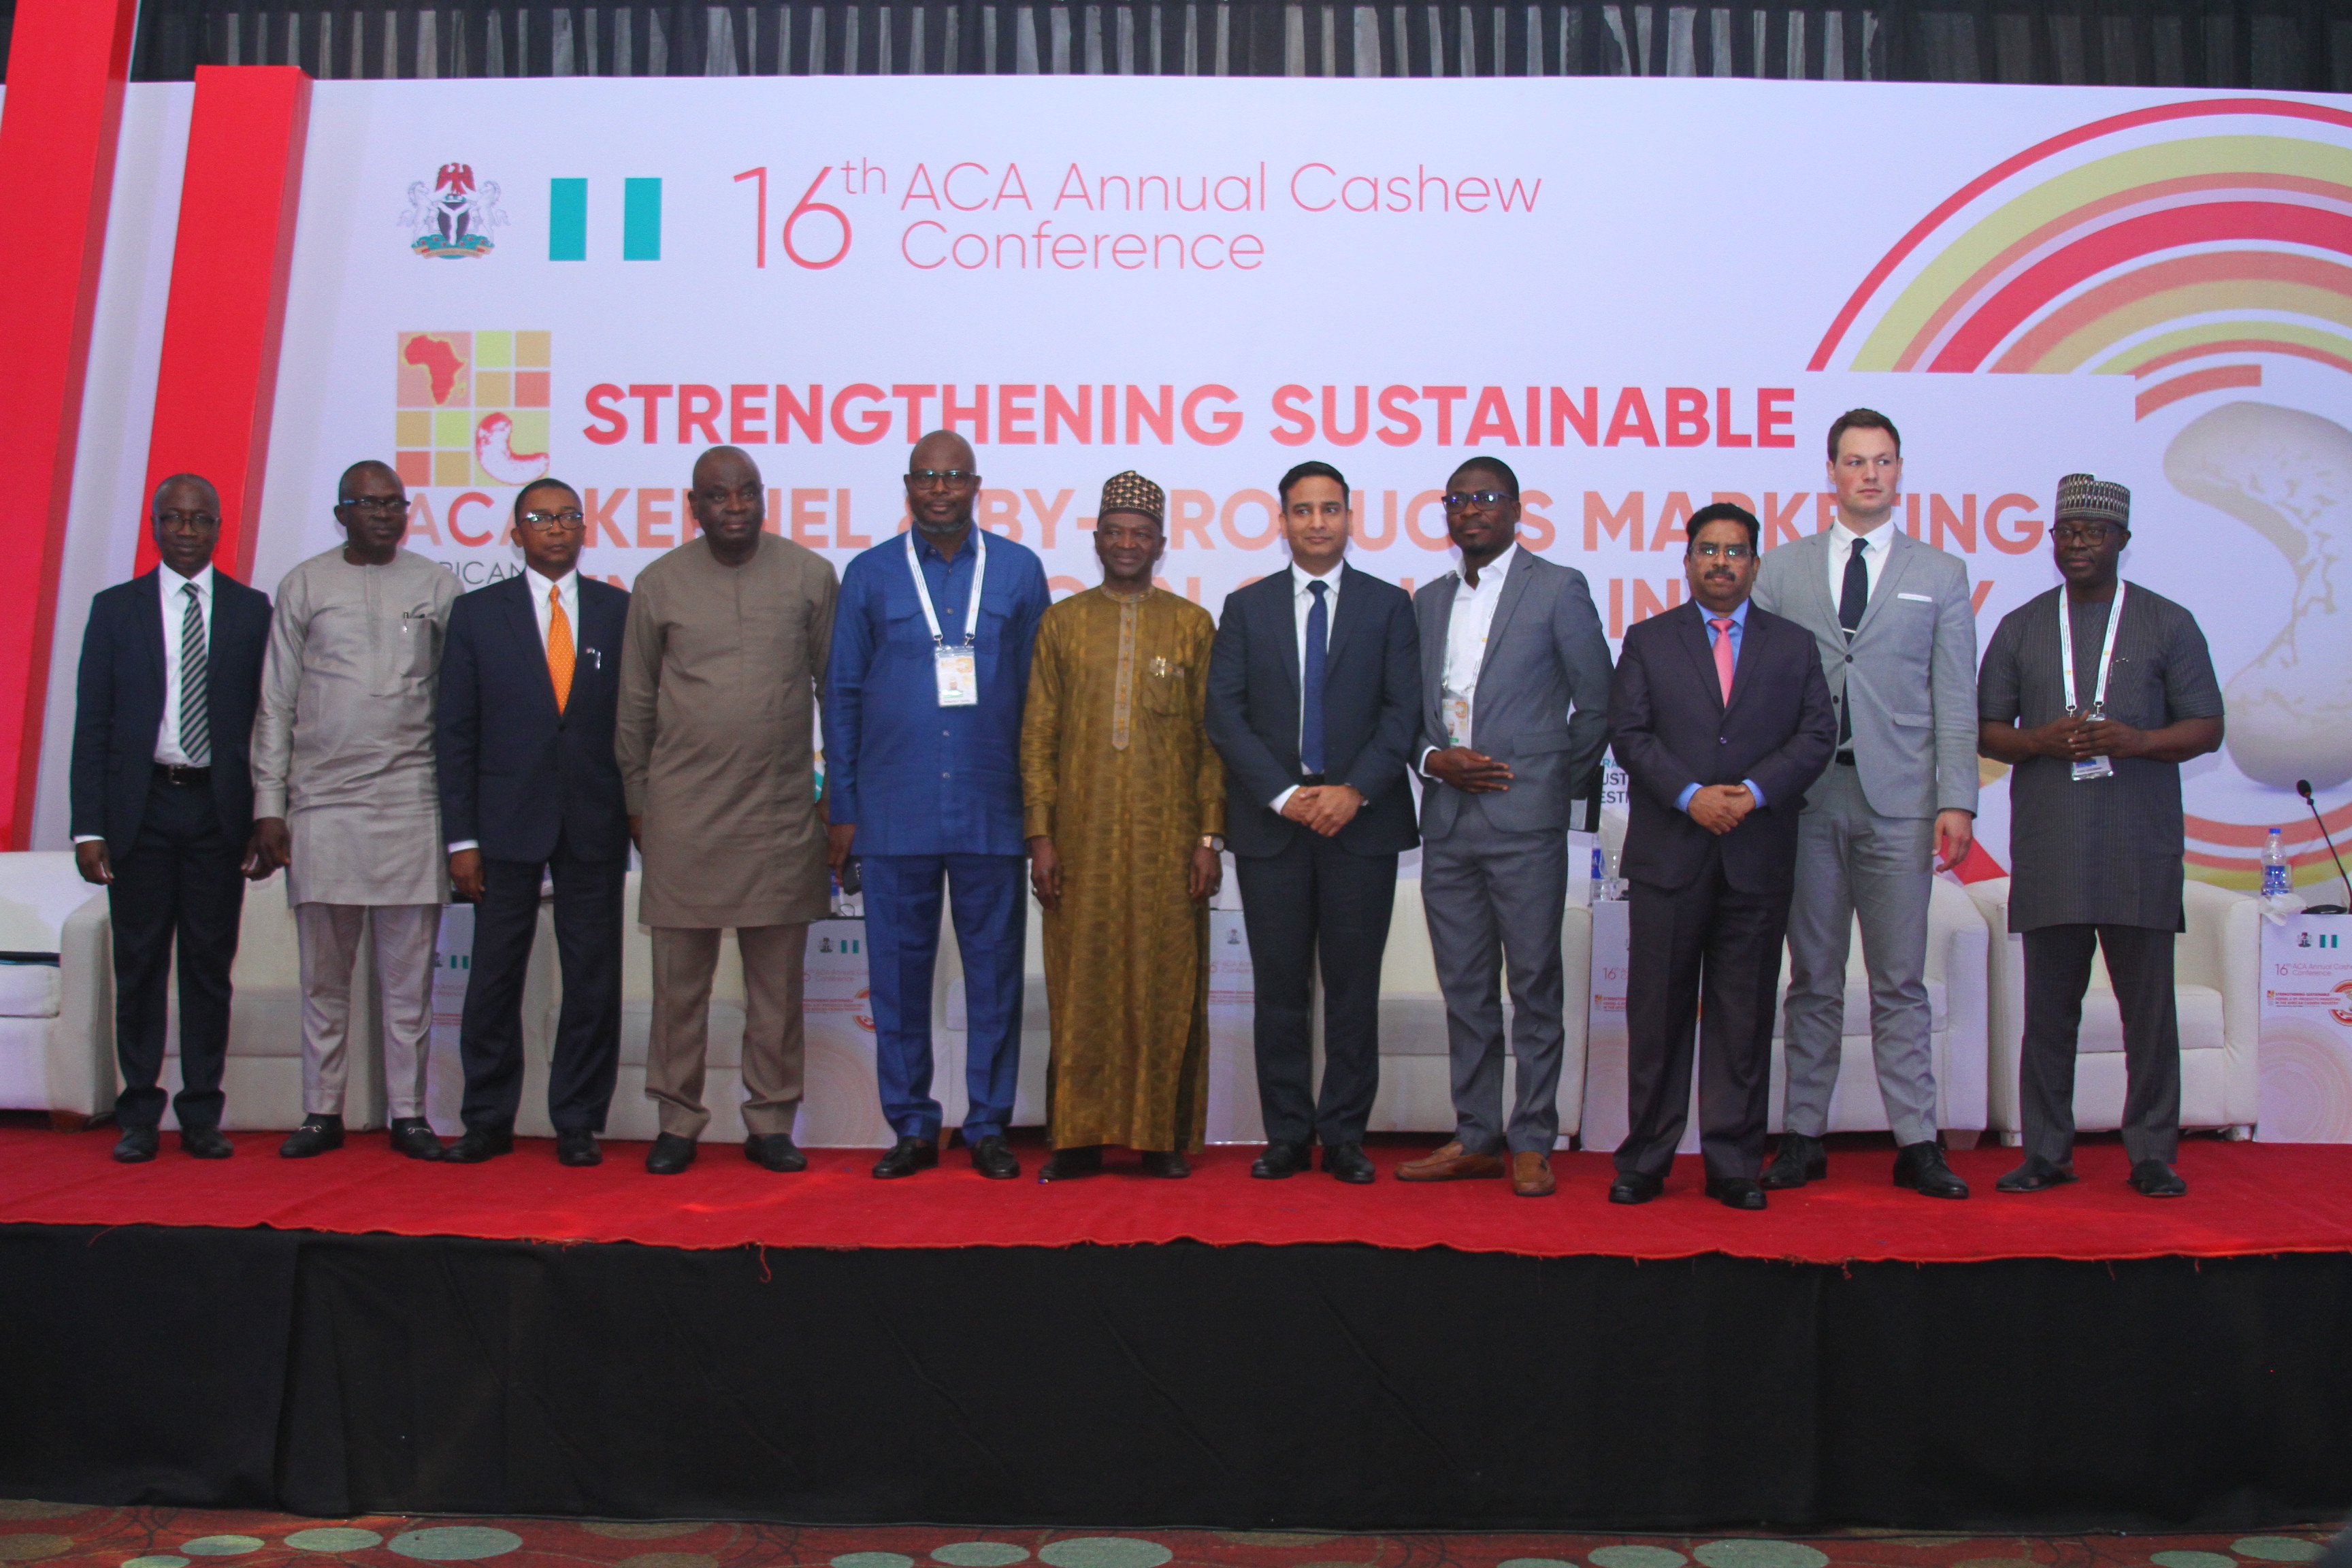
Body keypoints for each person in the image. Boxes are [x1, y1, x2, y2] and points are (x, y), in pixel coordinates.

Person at [1978, 474, 2223, 1199]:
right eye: (2066, 532)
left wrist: (2138, 740)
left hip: (2138, 845)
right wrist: (2038, 741)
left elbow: (2207, 727)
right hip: (2052, 845)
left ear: (2122, 541)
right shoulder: (2022, 626)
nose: (2077, 544)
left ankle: (2152, 1152)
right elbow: (1985, 730)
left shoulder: (2167, 623)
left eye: (2093, 532)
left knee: (2149, 1013)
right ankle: (2046, 1152)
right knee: (2049, 1013)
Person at [1751, 409, 1976, 1199]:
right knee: (1813, 978)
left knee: (1900, 981)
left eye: (1882, 461)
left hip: (1902, 802)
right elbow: (1758, 685)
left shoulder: (1941, 573)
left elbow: (1955, 696)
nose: (1869, 475)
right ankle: (1802, 1136)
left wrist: (1958, 799)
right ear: (1832, 472)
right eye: (1855, 461)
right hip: (1807, 800)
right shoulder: (1783, 569)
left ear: (1900, 470)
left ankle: (1917, 1142)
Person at [823, 431, 1049, 1181]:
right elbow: (842, 694)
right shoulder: (869, 574)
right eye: (927, 476)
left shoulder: (1018, 570)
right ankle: (913, 1125)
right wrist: (844, 808)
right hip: (894, 810)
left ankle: (987, 1124)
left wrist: (1041, 813)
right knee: (895, 978)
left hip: (992, 807)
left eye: (954, 476)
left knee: (994, 977)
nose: (940, 489)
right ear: (908, 486)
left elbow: (1042, 703)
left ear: (976, 485)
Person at [1605, 504, 1837, 1210]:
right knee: (1658, 1016)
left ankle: (1733, 1163)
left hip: (1755, 854)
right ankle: (1646, 1159)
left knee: (1743, 1017)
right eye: (1708, 550)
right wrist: (1690, 797)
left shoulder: (1793, 645)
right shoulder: (1649, 640)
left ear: (1755, 565)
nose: (1721, 562)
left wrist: (1754, 793)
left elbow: (1816, 735)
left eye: (1735, 552)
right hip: (1670, 855)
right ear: (1687, 562)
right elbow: (1630, 734)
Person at [617, 446, 838, 1176]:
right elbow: (635, 704)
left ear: (763, 498)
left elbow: (836, 693)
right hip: (684, 815)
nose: (734, 507)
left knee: (776, 992)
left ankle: (771, 1121)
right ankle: (677, 1121)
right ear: (694, 506)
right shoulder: (658, 584)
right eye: (718, 496)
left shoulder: (809, 575)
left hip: (780, 814)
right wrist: (638, 803)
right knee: (680, 989)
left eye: (747, 493)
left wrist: (838, 798)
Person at [1397, 457, 1613, 1198]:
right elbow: (1408, 712)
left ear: (1518, 509)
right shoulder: (1427, 601)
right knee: (1464, 989)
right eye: (1458, 499)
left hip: (1525, 824)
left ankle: (1533, 1139)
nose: (1471, 510)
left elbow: (1598, 704)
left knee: (1535, 983)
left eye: (1487, 497)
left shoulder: (1558, 588)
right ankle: (1477, 1136)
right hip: (1447, 823)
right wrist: (1432, 760)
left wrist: (1549, 785)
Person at [1206, 460, 1419, 1184]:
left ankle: (1347, 1135)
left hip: (1362, 825)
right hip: (1274, 829)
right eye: (1303, 510)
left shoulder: (1389, 606)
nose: (1317, 522)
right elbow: (1224, 714)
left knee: (1353, 992)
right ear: (1283, 521)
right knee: (1280, 992)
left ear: (1350, 518)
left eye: (1330, 509)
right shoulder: (1247, 607)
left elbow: (1403, 713)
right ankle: (1288, 1136)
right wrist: (1282, 795)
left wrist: (1354, 789)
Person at [250, 460, 458, 1160]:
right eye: (368, 504)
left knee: (409, 984)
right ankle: (321, 1112)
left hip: (413, 803)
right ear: (341, 514)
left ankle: (409, 1115)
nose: (383, 515)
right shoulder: (304, 585)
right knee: (324, 981)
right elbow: (276, 702)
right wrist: (269, 804)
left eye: (394, 503)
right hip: (323, 805)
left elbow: (460, 705)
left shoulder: (437, 586)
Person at [1020, 472, 1224, 1180]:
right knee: (1079, 986)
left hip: (1169, 847)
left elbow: (1212, 743)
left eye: (1142, 534)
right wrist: (1040, 836)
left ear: (1161, 544)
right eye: (1116, 531)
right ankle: (1076, 1139)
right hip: (1079, 843)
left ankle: (1158, 1138)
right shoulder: (1063, 623)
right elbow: (1038, 735)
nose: (1128, 543)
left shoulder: (1191, 625)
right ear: (1097, 539)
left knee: (1166, 984)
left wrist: (1208, 838)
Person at [70, 475, 274, 1162]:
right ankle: (138, 1114)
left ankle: (201, 1113)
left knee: (210, 969)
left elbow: (268, 721)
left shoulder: (251, 610)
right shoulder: (115, 609)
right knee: (140, 966)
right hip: (142, 809)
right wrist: (89, 826)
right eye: (174, 519)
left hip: (219, 809)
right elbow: (93, 724)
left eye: (200, 519)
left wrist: (265, 814)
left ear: (218, 528)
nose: (187, 531)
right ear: (154, 526)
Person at [435, 479, 630, 1167]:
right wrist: (462, 838)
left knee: (592, 979)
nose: (556, 528)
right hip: (502, 825)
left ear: (584, 529)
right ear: (516, 533)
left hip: (593, 820)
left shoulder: (618, 611)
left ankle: (578, 1119)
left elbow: (636, 723)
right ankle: (487, 1119)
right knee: (493, 977)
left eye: (568, 516)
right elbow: (455, 734)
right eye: (541, 518)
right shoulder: (476, 614)